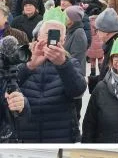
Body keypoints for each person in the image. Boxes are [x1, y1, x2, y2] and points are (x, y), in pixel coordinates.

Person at [14, 8, 86, 143]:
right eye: (48, 33)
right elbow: (6, 86)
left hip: (60, 136)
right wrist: (29, 66)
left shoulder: (71, 63)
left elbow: (78, 91)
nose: (52, 38)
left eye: (57, 34)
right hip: (25, 135)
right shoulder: (21, 58)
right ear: (39, 35)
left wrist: (62, 64)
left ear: (63, 40)